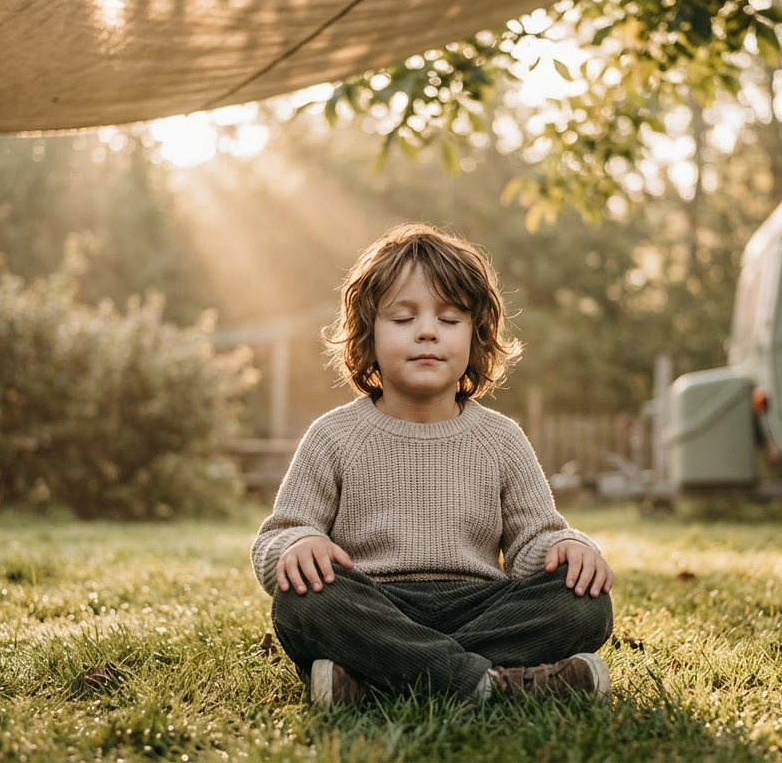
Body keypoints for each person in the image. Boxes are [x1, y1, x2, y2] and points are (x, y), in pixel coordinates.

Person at [250, 223, 615, 707]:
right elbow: (277, 536)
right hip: (374, 605)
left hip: (480, 607)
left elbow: (534, 542)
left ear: (476, 337)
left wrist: (568, 546)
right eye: (403, 318)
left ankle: (377, 681)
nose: (427, 331)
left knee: (584, 601)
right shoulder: (333, 436)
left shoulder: (501, 439)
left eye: (449, 318)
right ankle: (490, 684)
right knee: (305, 599)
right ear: (368, 335)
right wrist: (298, 543)